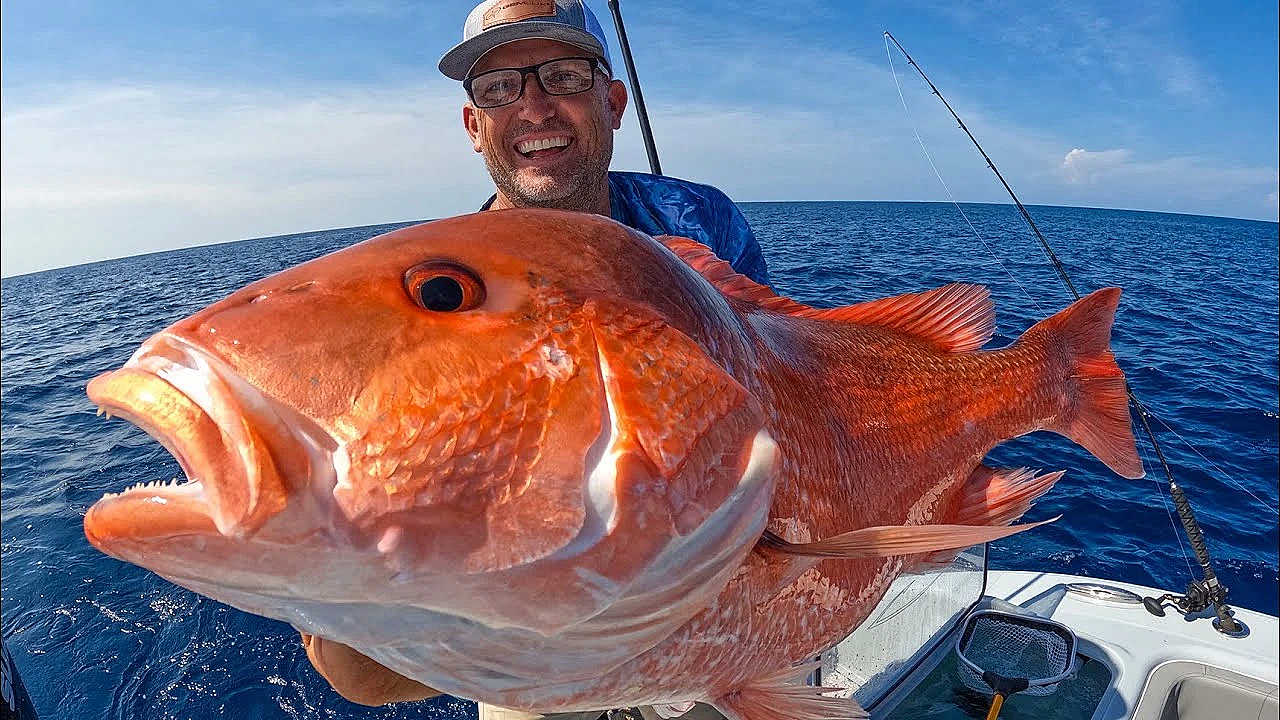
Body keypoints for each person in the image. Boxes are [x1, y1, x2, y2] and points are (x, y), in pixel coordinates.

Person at [300, 1, 762, 718]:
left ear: (614, 103)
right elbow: (365, 662)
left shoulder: (701, 223)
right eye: (498, 88)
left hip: (718, 595)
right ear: (472, 125)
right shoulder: (434, 292)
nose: (535, 106)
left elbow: (778, 392)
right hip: (534, 637)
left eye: (564, 76)